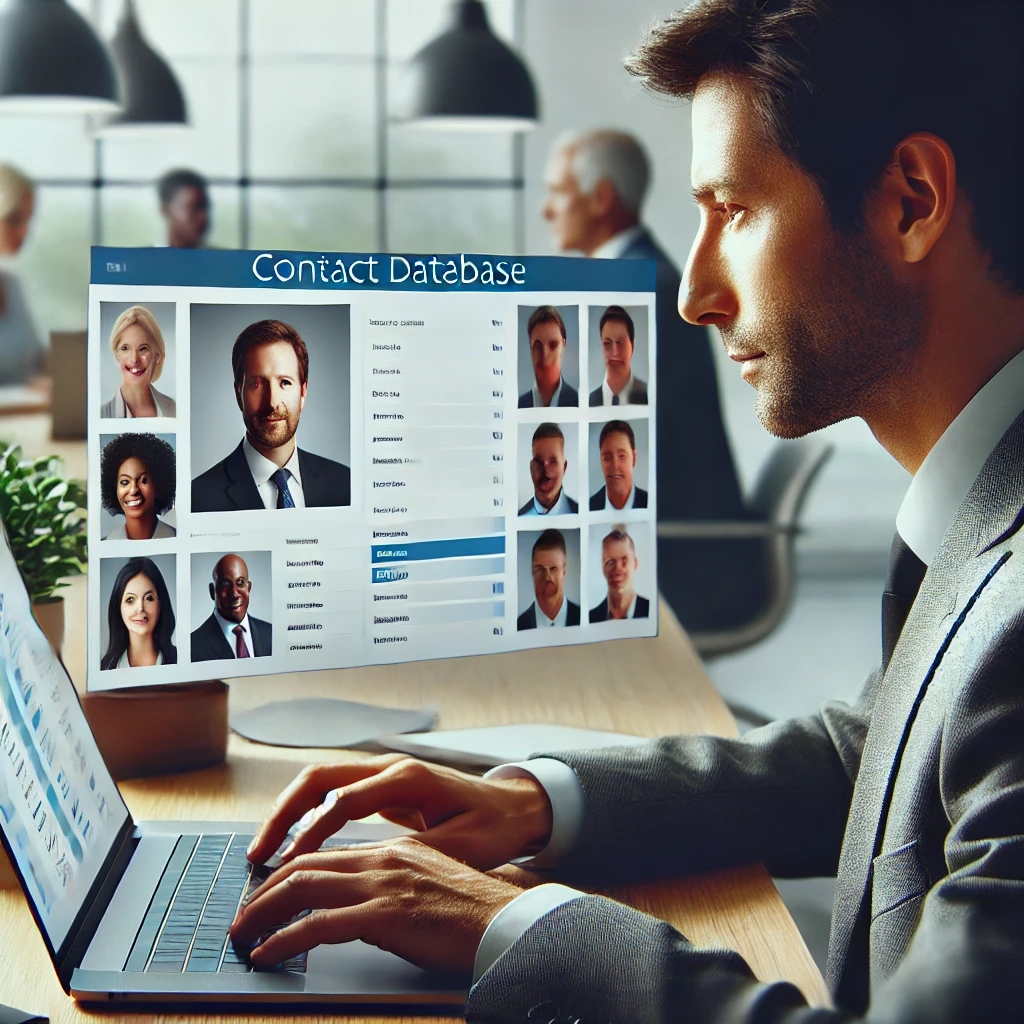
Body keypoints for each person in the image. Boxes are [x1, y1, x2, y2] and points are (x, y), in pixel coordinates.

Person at [229, 2, 1024, 1020]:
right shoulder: (979, 508)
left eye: (733, 209)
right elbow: (869, 749)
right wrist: (541, 801)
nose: (693, 291)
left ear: (911, 201)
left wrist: (517, 927)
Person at [543, 128, 741, 518]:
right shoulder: (633, 280)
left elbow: (630, 436)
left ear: (600, 198)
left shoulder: (642, 291)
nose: (546, 210)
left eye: (557, 192)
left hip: (673, 546)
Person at [191, 319, 351, 512]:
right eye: (256, 384)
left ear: (303, 392)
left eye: (284, 382)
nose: (272, 402)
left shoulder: (345, 483)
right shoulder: (198, 498)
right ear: (238, 393)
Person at [0, 163, 45, 385]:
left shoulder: (11, 285)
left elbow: (37, 361)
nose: (25, 231)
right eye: (15, 219)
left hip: (25, 418)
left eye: (29, 219)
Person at [191, 553, 272, 662]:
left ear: (249, 587)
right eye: (225, 584)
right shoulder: (193, 645)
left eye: (240, 583)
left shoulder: (270, 633)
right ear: (212, 591)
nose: (234, 594)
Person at [99, 305, 177, 418]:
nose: (134, 359)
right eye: (125, 348)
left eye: (143, 349)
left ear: (157, 355)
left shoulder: (173, 409)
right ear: (117, 355)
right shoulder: (102, 415)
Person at [100, 557, 177, 669]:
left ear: (161, 603)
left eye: (149, 598)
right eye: (130, 600)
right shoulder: (105, 667)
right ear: (118, 607)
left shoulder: (179, 659)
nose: (140, 608)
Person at [100, 433, 176, 540]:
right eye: (125, 482)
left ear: (158, 486)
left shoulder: (178, 539)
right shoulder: (105, 545)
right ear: (114, 488)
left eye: (143, 480)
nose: (133, 490)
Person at [516, 529, 580, 630]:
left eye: (553, 568)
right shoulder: (518, 625)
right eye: (540, 569)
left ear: (564, 571)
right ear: (532, 572)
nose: (547, 576)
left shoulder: (584, 617)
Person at [517, 305, 579, 408]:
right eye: (538, 345)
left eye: (553, 345)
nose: (545, 354)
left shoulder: (578, 402)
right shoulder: (518, 405)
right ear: (530, 348)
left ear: (563, 346)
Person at [588, 305, 647, 406]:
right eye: (607, 343)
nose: (614, 352)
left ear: (632, 345)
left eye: (620, 342)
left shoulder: (649, 396)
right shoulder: (589, 402)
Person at [589, 527, 649, 622]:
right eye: (610, 562)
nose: (617, 569)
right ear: (603, 568)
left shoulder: (651, 611)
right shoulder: (591, 618)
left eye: (624, 561)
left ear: (635, 564)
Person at [519, 423, 578, 516]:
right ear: (531, 468)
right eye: (539, 461)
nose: (545, 469)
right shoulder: (520, 517)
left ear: (564, 467)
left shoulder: (579, 512)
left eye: (553, 461)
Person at [589, 419, 648, 510]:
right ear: (601, 460)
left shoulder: (648, 503)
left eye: (622, 456)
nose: (615, 466)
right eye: (607, 458)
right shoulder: (589, 506)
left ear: (634, 458)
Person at [158, 168, 210, 249]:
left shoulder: (221, 260)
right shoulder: (144, 259)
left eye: (205, 208)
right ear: (166, 210)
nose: (204, 217)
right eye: (194, 208)